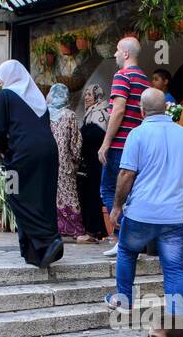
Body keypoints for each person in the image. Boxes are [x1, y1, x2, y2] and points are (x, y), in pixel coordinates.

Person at [108, 86, 183, 317]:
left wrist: (117, 206)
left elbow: (126, 174)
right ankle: (177, 315)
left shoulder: (137, 134)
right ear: (166, 108)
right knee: (174, 268)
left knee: (127, 252)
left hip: (141, 212)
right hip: (172, 216)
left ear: (142, 110)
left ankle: (124, 301)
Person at [0, 59, 63, 269]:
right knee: (42, 197)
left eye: (0, 78)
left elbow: (0, 130)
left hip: (22, 153)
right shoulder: (38, 98)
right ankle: (37, 253)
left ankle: (48, 238)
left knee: (14, 195)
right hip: (49, 152)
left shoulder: (5, 95)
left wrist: (4, 152)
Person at [98, 37, 150, 257]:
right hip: (139, 144)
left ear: (126, 54)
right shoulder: (145, 80)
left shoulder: (122, 76)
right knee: (133, 194)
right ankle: (133, 240)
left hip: (120, 144)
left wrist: (106, 143)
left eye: (118, 51)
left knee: (110, 190)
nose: (116, 55)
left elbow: (117, 110)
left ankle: (122, 239)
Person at [47, 83, 84, 240]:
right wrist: (76, 159)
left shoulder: (45, 114)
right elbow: (76, 143)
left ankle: (53, 229)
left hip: (47, 162)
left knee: (50, 194)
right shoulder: (70, 115)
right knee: (69, 195)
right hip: (65, 163)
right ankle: (74, 229)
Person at [76, 84, 108, 242]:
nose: (86, 97)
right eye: (86, 94)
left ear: (98, 97)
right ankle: (91, 230)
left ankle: (96, 231)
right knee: (88, 195)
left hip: (97, 163)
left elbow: (95, 136)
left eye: (90, 94)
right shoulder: (90, 114)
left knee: (94, 195)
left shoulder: (101, 113)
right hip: (89, 162)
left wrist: (79, 137)